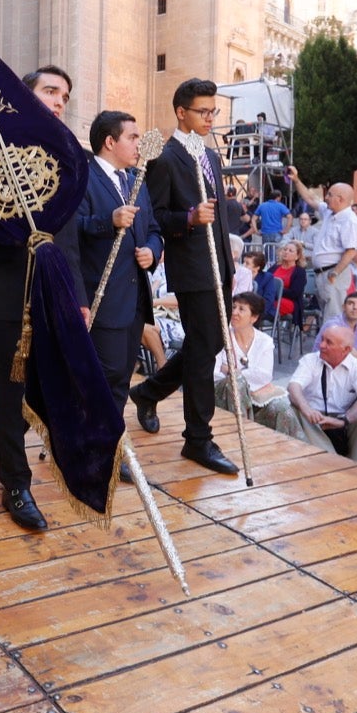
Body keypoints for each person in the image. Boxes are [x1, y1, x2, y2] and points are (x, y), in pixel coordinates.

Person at [0, 64, 88, 528]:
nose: (58, 101)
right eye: (50, 91)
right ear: (25, 95)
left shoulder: (69, 153)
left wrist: (79, 296)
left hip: (52, 290)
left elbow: (69, 235)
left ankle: (0, 438)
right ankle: (16, 482)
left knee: (48, 388)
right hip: (5, 291)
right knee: (10, 392)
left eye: (65, 96)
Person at [130, 77, 239, 475]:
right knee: (204, 349)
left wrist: (230, 267)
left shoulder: (210, 156)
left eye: (214, 111)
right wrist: (190, 218)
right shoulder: (165, 156)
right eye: (203, 111)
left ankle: (148, 391)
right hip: (192, 269)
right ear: (181, 112)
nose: (211, 118)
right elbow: (156, 217)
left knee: (203, 346)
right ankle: (198, 439)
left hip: (220, 267)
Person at [76, 109, 161, 475]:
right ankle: (98, 451)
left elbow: (154, 228)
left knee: (122, 378)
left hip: (134, 300)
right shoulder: (83, 178)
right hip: (101, 297)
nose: (138, 145)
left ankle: (106, 445)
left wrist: (152, 251)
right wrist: (106, 222)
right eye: (133, 138)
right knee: (106, 377)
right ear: (110, 142)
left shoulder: (137, 179)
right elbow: (71, 231)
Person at [284, 326, 357, 459]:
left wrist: (343, 420)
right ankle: (333, 460)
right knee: (295, 408)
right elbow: (294, 386)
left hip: (343, 419)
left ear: (346, 350)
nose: (321, 345)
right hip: (312, 417)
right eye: (322, 339)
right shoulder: (310, 360)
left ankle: (351, 459)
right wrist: (306, 409)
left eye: (329, 342)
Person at [213, 291, 292, 431]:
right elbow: (214, 372)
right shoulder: (221, 336)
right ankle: (244, 435)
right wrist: (238, 377)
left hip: (256, 394)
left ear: (254, 317)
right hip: (222, 394)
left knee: (282, 408)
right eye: (234, 307)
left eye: (241, 309)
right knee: (236, 384)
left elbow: (264, 375)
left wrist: (230, 370)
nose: (235, 312)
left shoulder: (264, 341)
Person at [287, 165, 357, 317]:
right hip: (322, 274)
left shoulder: (349, 220)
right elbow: (309, 198)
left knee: (334, 319)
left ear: (340, 199)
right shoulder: (329, 211)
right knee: (327, 317)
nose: (326, 197)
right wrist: (296, 180)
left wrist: (334, 273)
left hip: (333, 275)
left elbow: (351, 251)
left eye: (330, 194)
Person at [315, 290, 357, 358]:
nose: (355, 307)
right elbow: (349, 352)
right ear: (344, 307)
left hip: (348, 362)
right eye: (351, 303)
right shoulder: (334, 324)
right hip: (325, 363)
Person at [263, 239, 308, 325]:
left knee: (263, 304)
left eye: (290, 251)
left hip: (289, 301)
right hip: (271, 297)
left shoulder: (299, 272)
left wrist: (274, 291)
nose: (286, 252)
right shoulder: (275, 267)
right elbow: (265, 280)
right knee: (257, 301)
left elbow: (294, 293)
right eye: (285, 249)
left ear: (297, 256)